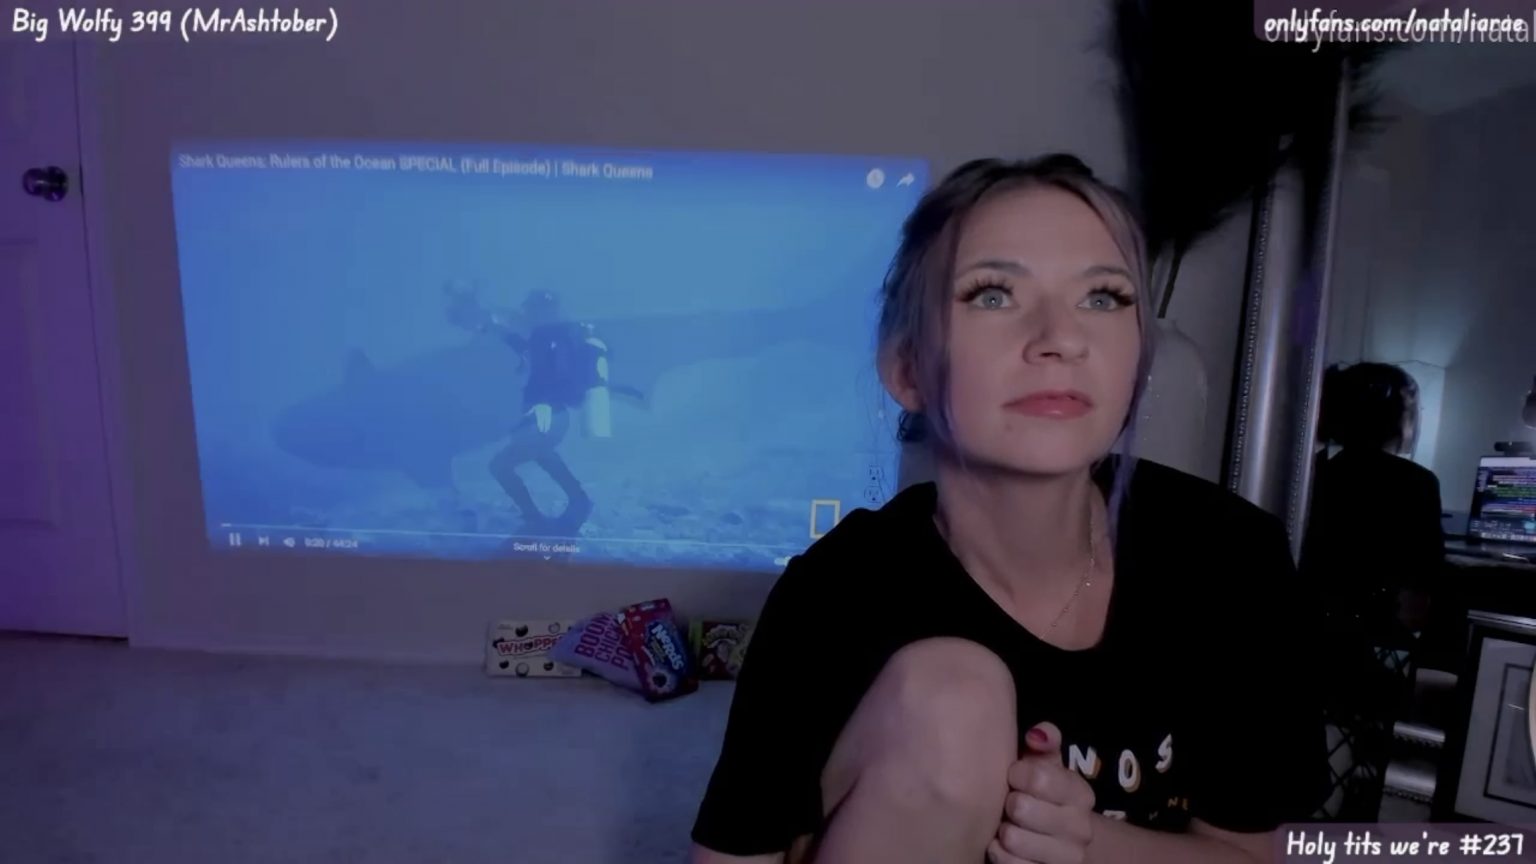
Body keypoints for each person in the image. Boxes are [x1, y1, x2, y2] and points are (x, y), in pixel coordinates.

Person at [690, 155, 1329, 864]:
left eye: (1104, 297)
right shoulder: (837, 594)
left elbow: (1257, 855)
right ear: (907, 369)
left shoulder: (1230, 556)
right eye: (993, 295)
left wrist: (1084, 842)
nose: (1061, 338)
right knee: (956, 701)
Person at [1302, 362, 1445, 640]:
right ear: (1396, 415)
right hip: (1378, 622)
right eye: (1415, 408)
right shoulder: (1418, 482)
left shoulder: (1319, 471)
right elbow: (1429, 569)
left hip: (1316, 617)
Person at [486, 289, 605, 535]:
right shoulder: (558, 334)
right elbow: (532, 355)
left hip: (547, 415)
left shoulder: (548, 336)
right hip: (555, 416)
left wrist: (542, 404)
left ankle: (535, 517)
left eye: (531, 309)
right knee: (543, 454)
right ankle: (579, 500)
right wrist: (503, 333)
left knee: (499, 466)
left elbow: (549, 372)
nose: (527, 314)